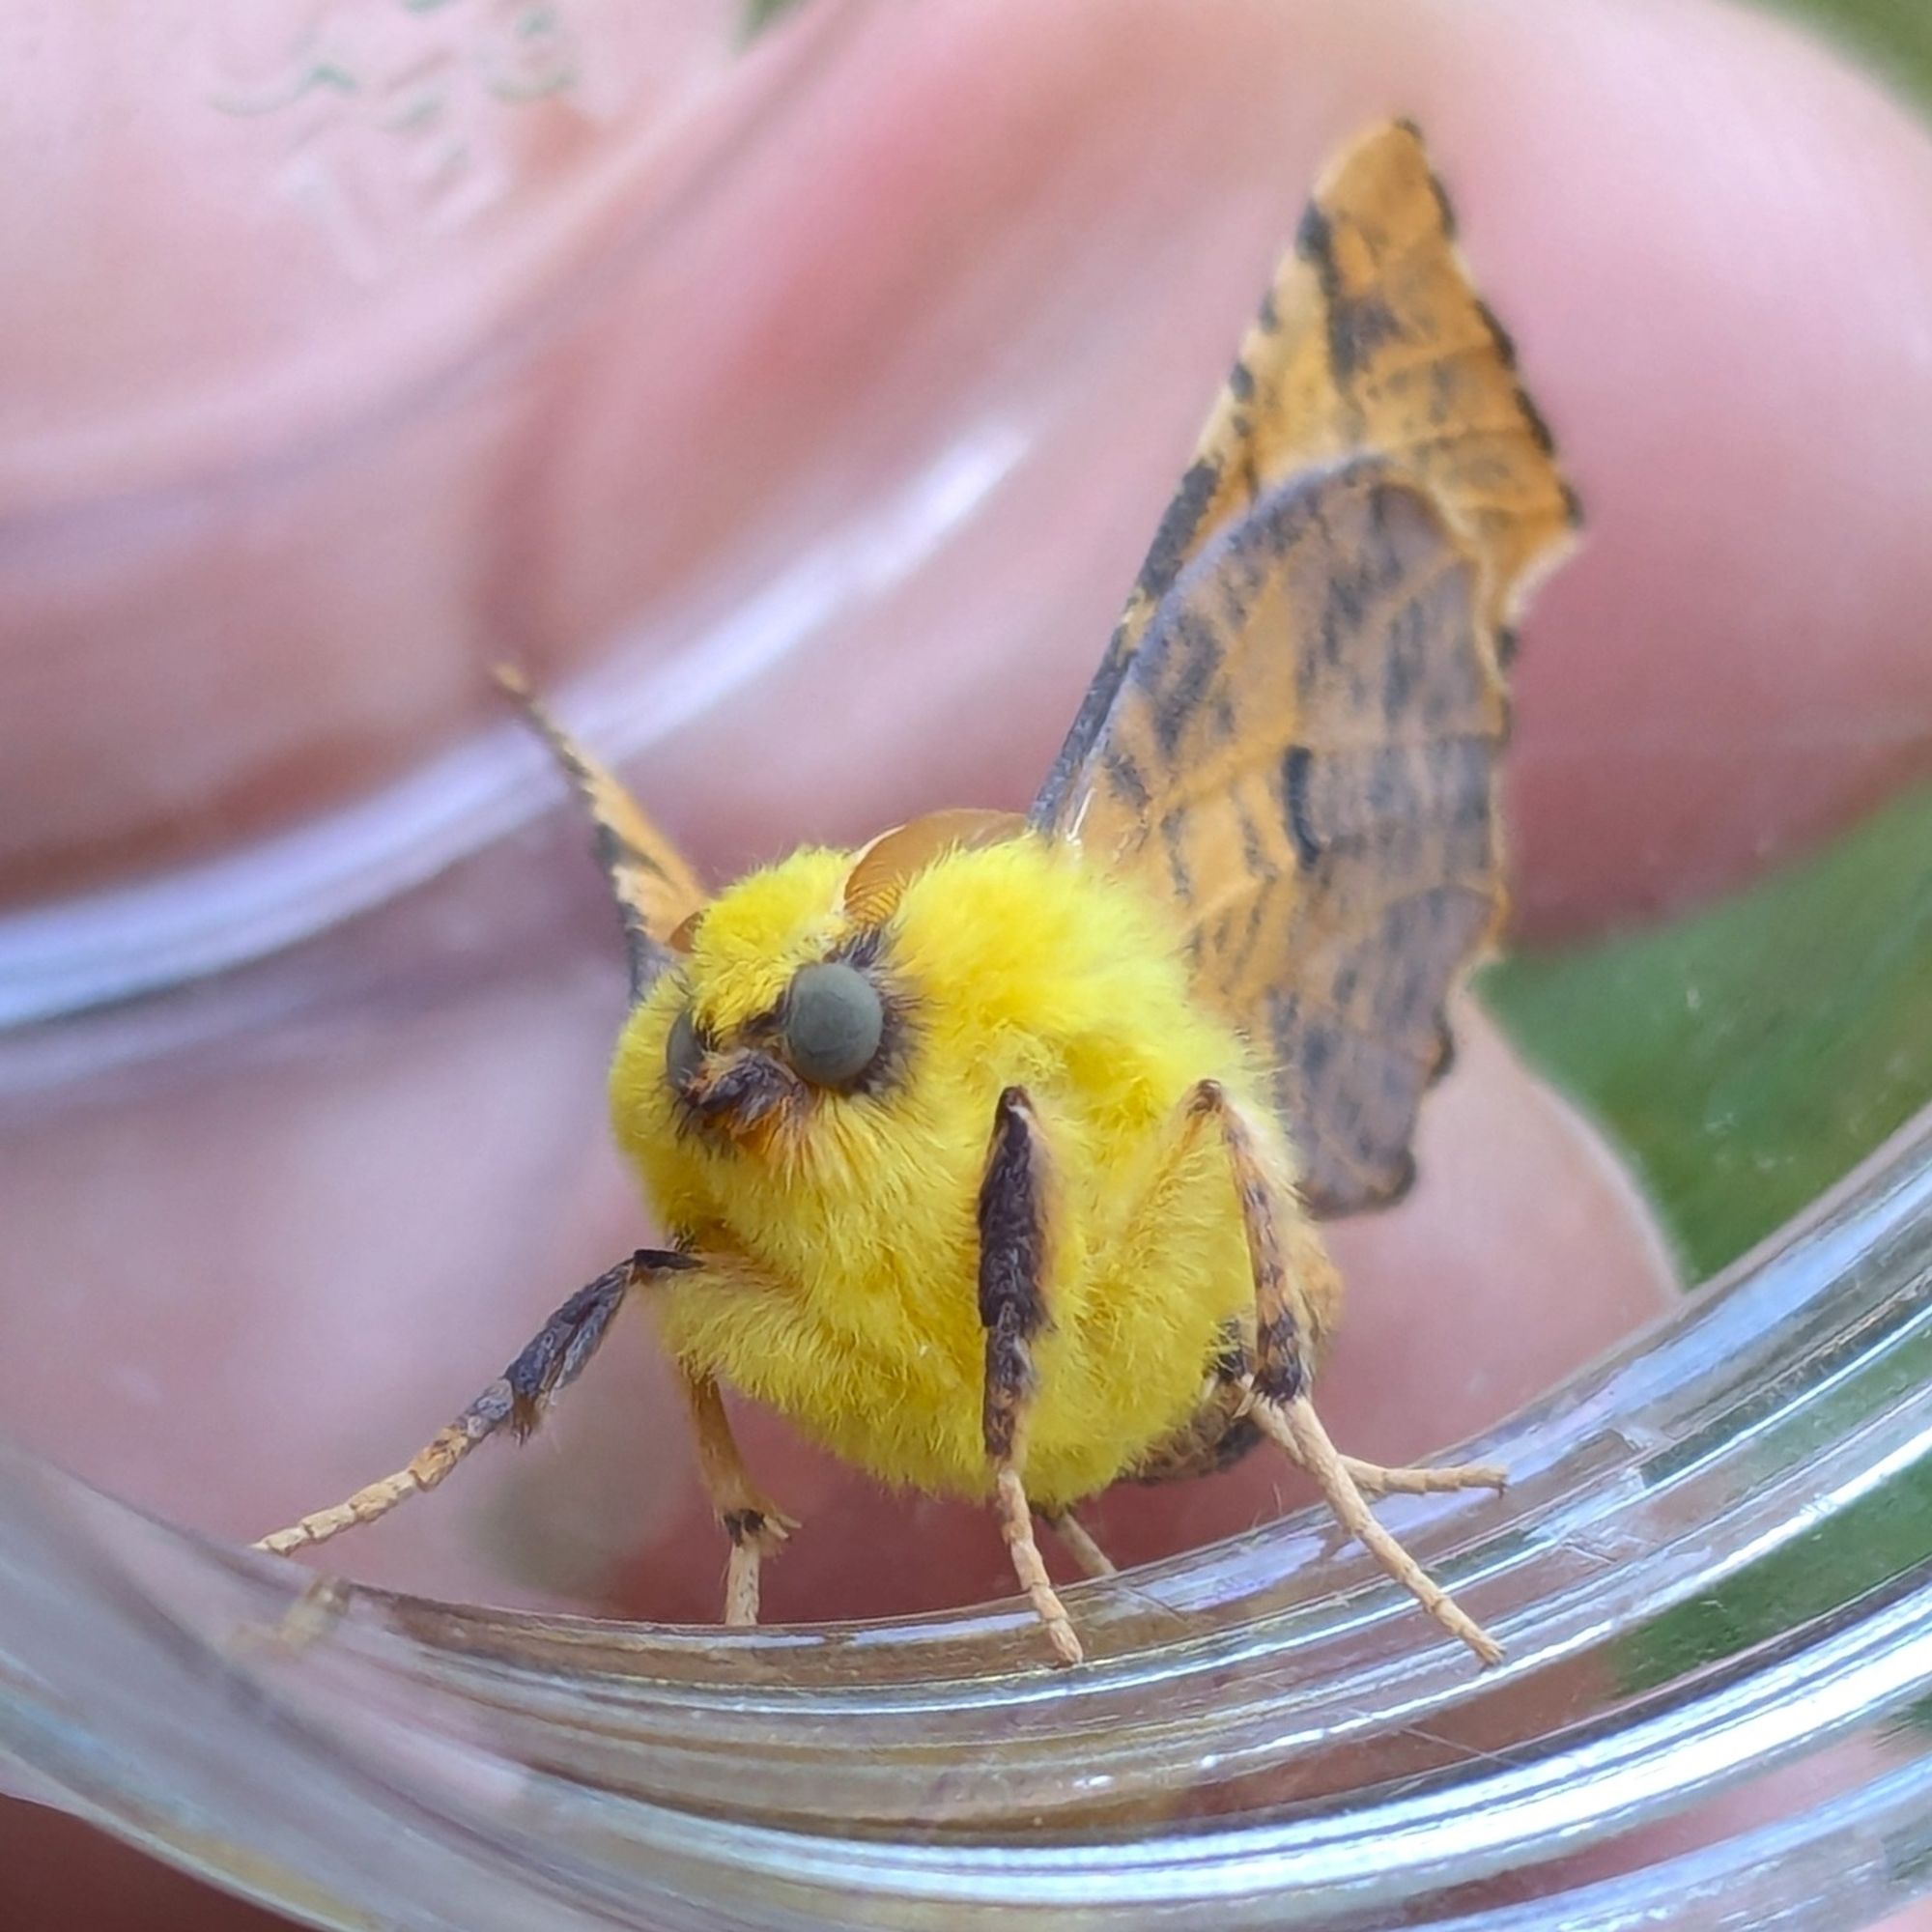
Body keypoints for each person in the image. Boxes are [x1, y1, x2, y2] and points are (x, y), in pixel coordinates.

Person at [3, 0, 1929, 1924]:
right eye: (713, 1057)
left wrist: (1126, 1456)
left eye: (795, 1041)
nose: (741, 1080)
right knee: (657, 1278)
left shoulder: (1005, 1015)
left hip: (1197, 1328)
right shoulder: (743, 1145)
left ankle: (1322, 1472)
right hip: (287, 1672)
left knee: (1170, 1101)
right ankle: (753, 1544)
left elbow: (1151, 1099)